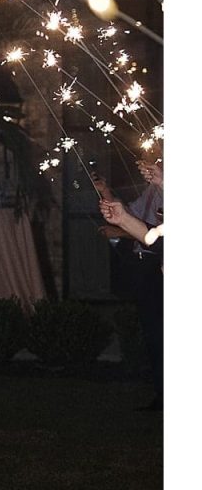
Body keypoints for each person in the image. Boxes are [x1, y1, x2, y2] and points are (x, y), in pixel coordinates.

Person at [97, 159, 163, 410]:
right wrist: (109, 199)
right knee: (154, 333)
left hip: (155, 265)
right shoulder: (151, 191)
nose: (149, 168)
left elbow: (159, 235)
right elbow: (134, 217)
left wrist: (121, 231)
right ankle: (161, 393)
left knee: (160, 333)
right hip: (146, 266)